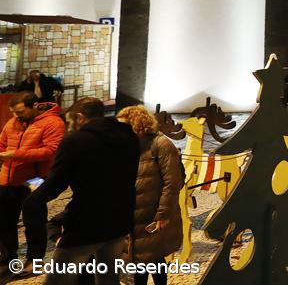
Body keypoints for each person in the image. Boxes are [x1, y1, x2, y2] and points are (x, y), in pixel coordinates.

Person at [23, 97, 140, 285]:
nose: (69, 127)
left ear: (79, 117)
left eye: (70, 121)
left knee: (58, 279)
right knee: (108, 277)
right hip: (120, 218)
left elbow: (56, 183)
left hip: (87, 222)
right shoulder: (129, 137)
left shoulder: (76, 141)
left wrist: (32, 198)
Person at [116, 106, 183, 285]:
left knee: (154, 258)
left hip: (153, 214)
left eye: (125, 125)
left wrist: (163, 214)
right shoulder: (127, 146)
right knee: (140, 259)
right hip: (135, 215)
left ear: (137, 124)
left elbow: (172, 183)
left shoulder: (161, 144)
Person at [0, 92, 64, 269]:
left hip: (35, 180)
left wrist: (15, 155)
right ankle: (7, 259)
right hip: (8, 179)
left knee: (34, 222)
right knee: (4, 221)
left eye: (20, 111)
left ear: (35, 105)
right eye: (13, 112)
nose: (15, 116)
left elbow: (51, 151)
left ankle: (34, 261)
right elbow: (2, 142)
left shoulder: (53, 122)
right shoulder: (14, 121)